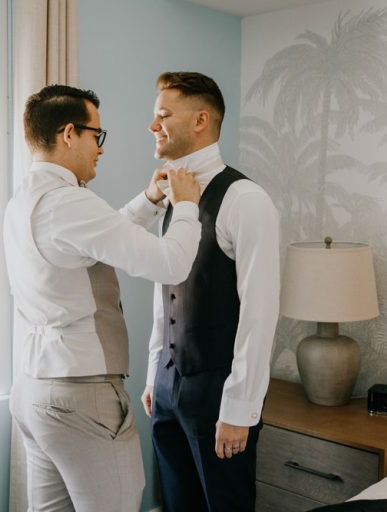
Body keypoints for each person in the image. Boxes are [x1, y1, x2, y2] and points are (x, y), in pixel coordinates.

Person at [3, 84, 202, 512]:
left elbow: (96, 239)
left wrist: (150, 201)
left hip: (34, 392)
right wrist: (187, 206)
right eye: (97, 135)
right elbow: (171, 265)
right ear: (69, 133)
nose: (100, 148)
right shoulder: (69, 203)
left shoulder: (25, 201)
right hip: (81, 396)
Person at [140, 71, 280, 512]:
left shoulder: (245, 200)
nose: (153, 125)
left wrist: (240, 407)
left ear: (201, 120)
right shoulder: (168, 194)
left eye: (163, 114)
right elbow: (165, 295)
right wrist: (153, 374)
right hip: (166, 386)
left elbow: (260, 312)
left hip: (219, 390)